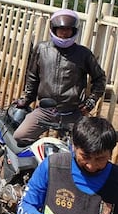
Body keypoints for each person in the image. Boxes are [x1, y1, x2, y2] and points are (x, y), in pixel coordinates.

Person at [17, 116, 118, 214]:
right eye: (85, 156)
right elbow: (25, 206)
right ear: (74, 147)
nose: (91, 166)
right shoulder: (52, 166)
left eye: (100, 159)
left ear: (111, 153)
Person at [12, 9, 107, 146]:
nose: (64, 33)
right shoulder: (41, 49)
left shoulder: (84, 54)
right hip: (44, 110)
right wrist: (27, 99)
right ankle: (40, 162)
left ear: (74, 31)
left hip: (72, 113)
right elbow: (33, 76)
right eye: (61, 29)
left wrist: (90, 102)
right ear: (54, 29)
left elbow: (100, 79)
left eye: (68, 29)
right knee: (20, 136)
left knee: (80, 148)